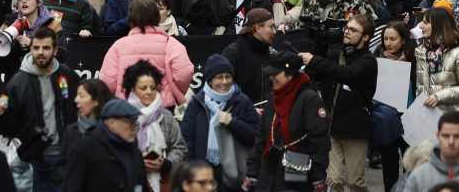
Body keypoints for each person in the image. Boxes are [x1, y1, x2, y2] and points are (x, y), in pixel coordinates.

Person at [0, 27, 79, 191]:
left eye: (46, 48)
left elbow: (79, 107)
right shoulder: (16, 82)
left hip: (65, 156)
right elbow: (6, 128)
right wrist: (1, 115)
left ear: (54, 50)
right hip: (32, 159)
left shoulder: (66, 75)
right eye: (36, 47)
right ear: (30, 48)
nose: (40, 52)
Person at [299, 14, 378, 192]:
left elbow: (345, 74)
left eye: (353, 30)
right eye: (346, 28)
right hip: (332, 126)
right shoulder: (338, 53)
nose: (347, 32)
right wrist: (320, 44)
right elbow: (320, 71)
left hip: (355, 129)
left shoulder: (368, 62)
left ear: (365, 37)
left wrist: (314, 60)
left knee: (354, 181)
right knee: (333, 180)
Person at [243, 51, 330, 192]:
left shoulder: (309, 99)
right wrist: (252, 172)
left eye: (276, 73)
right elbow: (261, 137)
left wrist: (318, 178)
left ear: (290, 74)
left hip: (296, 176)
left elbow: (319, 143)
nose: (271, 77)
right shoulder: (274, 97)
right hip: (267, 175)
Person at [180, 54, 258, 191]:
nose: (224, 81)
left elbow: (255, 137)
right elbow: (187, 141)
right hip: (202, 176)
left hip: (235, 175)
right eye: (219, 77)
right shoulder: (197, 104)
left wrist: (233, 122)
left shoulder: (242, 102)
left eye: (228, 76)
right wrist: (190, 172)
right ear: (210, 80)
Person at [99, 0, 193, 109]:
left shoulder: (118, 45)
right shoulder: (171, 43)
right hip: (163, 106)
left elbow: (107, 81)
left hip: (127, 107)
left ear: (130, 19)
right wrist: (176, 92)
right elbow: (184, 73)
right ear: (157, 17)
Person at [121, 60, 187, 191]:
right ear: (133, 89)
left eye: (152, 87)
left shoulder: (166, 116)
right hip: (127, 181)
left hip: (162, 182)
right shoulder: (123, 117)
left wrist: (166, 164)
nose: (149, 92)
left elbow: (180, 147)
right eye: (143, 88)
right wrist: (137, 162)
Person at [61, 99, 150, 192]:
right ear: (112, 123)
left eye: (136, 124)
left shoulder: (135, 153)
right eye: (131, 123)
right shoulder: (85, 149)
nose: (134, 129)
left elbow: (142, 186)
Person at [401, 112, 459, 192]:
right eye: (446, 136)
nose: (451, 142)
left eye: (457, 136)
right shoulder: (417, 177)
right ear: (438, 136)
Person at [373, 22, 417, 192]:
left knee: (410, 163)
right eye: (385, 39)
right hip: (387, 117)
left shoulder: (414, 58)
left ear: (404, 40)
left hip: (410, 116)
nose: (388, 43)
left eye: (393, 39)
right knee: (389, 163)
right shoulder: (377, 57)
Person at [414, 8, 459, 117]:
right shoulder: (421, 52)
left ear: (438, 25)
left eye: (425, 23)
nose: (420, 26)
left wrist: (438, 97)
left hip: (452, 122)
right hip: (426, 119)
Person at [0, 0, 63, 78]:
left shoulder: (53, 25)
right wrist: (9, 46)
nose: (24, 1)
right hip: (15, 82)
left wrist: (33, 44)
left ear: (38, 2)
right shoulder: (9, 24)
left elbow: (61, 57)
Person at [220, 8, 276, 108]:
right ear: (258, 28)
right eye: (271, 27)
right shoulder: (232, 54)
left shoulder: (272, 54)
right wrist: (248, 110)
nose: (275, 31)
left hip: (269, 119)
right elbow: (223, 89)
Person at [60, 79, 113, 167]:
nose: (76, 100)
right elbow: (61, 165)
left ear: (97, 100)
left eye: (81, 96)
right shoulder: (71, 131)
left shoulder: (112, 130)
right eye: (77, 95)